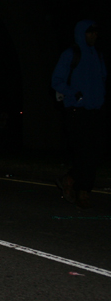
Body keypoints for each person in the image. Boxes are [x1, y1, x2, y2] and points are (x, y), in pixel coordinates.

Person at [52, 20, 106, 209]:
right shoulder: (71, 54)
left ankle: (72, 180)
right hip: (76, 110)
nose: (94, 36)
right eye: (90, 33)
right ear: (82, 34)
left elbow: (102, 79)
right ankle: (82, 192)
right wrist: (75, 93)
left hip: (95, 110)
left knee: (94, 153)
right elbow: (56, 81)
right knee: (83, 152)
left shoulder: (98, 55)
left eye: (95, 33)